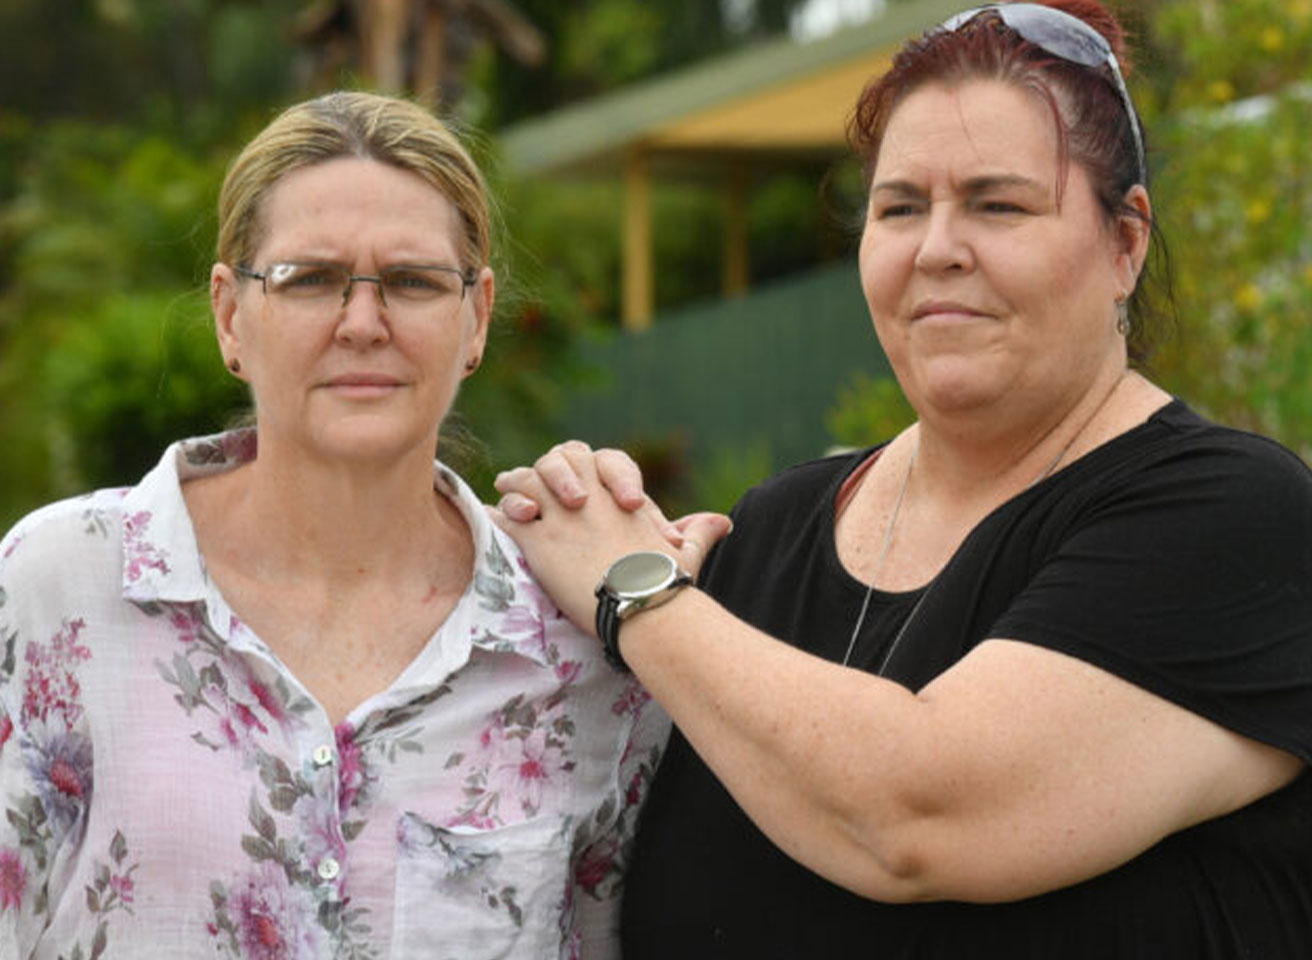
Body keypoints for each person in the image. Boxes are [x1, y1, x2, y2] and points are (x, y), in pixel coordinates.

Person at [491, 2, 1312, 957]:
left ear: (1124, 243)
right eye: (900, 208)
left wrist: (637, 590)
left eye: (999, 204)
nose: (937, 250)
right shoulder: (771, 529)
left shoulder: (1233, 520)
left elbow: (917, 815)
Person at [0, 91, 666, 959]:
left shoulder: (573, 640)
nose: (363, 323)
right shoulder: (54, 595)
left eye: (411, 281)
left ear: (475, 317)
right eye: (309, 279)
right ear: (229, 316)